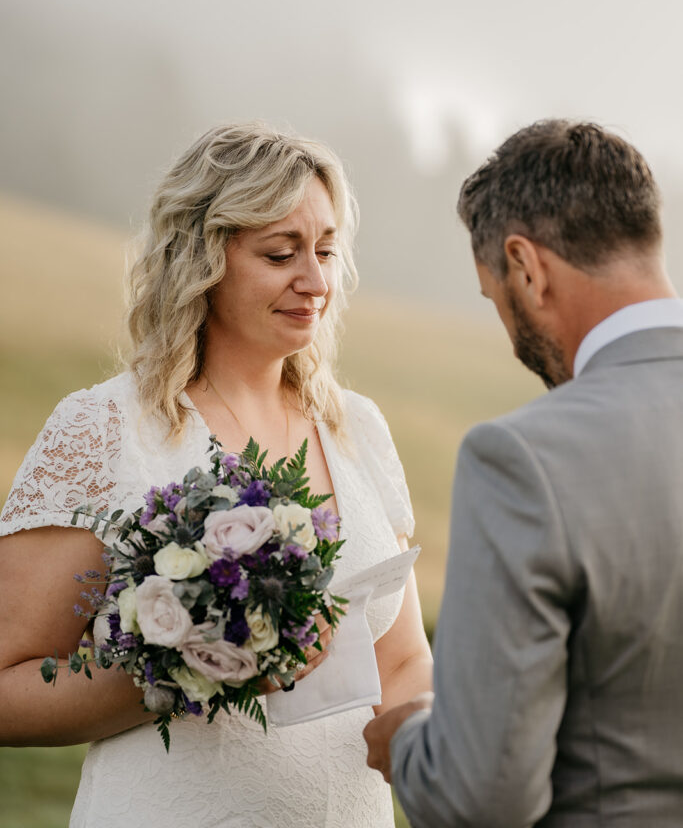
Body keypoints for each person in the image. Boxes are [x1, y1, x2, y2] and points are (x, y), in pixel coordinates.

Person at [0, 123, 432, 828]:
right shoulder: (106, 427)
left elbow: (405, 661)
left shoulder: (359, 428)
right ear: (202, 258)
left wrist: (447, 754)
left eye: (325, 250)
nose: (317, 280)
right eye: (280, 253)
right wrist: (188, 664)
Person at [364, 119, 683, 826]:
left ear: (526, 267)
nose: (509, 337)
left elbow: (484, 797)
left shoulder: (526, 459)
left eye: (494, 299)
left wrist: (411, 741)